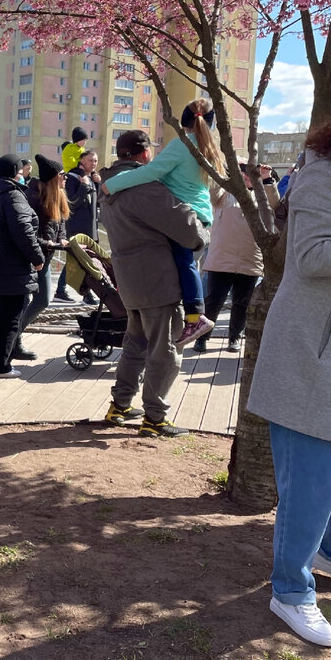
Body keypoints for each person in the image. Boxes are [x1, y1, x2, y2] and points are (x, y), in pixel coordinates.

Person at [248, 114, 331, 648]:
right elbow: (311, 258)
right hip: (313, 352)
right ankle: (290, 590)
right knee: (311, 479)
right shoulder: (323, 174)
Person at [99, 129, 205, 437]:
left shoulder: (109, 188)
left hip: (129, 281)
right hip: (158, 281)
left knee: (135, 346)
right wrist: (204, 232)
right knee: (166, 349)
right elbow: (187, 229)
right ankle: (155, 417)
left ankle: (119, 406)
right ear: (144, 154)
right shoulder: (144, 186)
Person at [101, 99, 222, 346]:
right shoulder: (211, 148)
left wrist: (111, 184)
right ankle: (193, 313)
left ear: (184, 120)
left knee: (184, 261)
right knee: (185, 262)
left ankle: (195, 316)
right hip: (201, 212)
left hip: (183, 214)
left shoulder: (182, 145)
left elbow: (150, 172)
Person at [194, 162, 280, 353]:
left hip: (250, 259)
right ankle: (202, 338)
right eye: (243, 174)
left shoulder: (261, 195)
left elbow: (274, 204)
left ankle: (234, 338)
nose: (246, 177)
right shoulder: (223, 193)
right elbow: (212, 185)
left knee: (242, 303)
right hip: (221, 260)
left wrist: (266, 178)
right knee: (213, 303)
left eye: (250, 174)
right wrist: (225, 168)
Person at [0, 155, 46, 378]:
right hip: (13, 267)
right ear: (15, 172)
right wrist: (37, 257)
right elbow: (23, 230)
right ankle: (0, 366)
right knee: (11, 317)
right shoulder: (14, 195)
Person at [18, 155, 69, 350]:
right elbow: (27, 232)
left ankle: (16, 335)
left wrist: (61, 239)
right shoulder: (34, 197)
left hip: (45, 256)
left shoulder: (59, 196)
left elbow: (61, 222)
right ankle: (15, 340)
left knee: (43, 300)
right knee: (25, 302)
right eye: (63, 175)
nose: (66, 179)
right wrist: (48, 243)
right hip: (31, 257)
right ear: (54, 177)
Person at [56, 149, 100, 302]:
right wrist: (84, 187)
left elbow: (97, 204)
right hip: (77, 228)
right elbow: (71, 204)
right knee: (82, 261)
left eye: (95, 161)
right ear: (82, 161)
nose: (94, 163)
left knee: (76, 260)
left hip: (90, 229)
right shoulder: (73, 178)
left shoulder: (91, 179)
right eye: (90, 160)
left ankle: (61, 291)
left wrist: (97, 184)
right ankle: (85, 294)